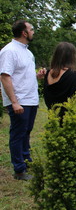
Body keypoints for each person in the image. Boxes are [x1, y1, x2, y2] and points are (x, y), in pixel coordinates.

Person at [0, 20, 46, 180]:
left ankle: (27, 162)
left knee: (26, 133)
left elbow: (21, 76)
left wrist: (37, 76)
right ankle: (19, 170)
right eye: (31, 29)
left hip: (31, 100)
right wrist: (14, 102)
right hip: (19, 101)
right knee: (18, 134)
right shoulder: (9, 51)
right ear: (24, 33)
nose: (33, 32)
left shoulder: (27, 52)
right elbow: (5, 77)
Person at [43, 42, 76, 119]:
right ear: (72, 57)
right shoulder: (74, 75)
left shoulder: (48, 73)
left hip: (52, 117)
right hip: (69, 120)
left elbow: (47, 96)